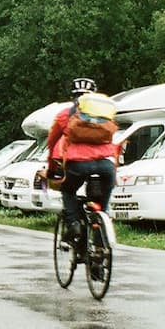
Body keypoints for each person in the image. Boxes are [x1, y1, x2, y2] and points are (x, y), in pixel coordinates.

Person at [47, 77, 118, 250]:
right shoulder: (105, 113)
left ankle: (74, 226)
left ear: (72, 97)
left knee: (68, 190)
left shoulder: (65, 115)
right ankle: (100, 253)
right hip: (106, 166)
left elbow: (52, 142)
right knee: (101, 206)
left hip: (78, 165)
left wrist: (52, 169)